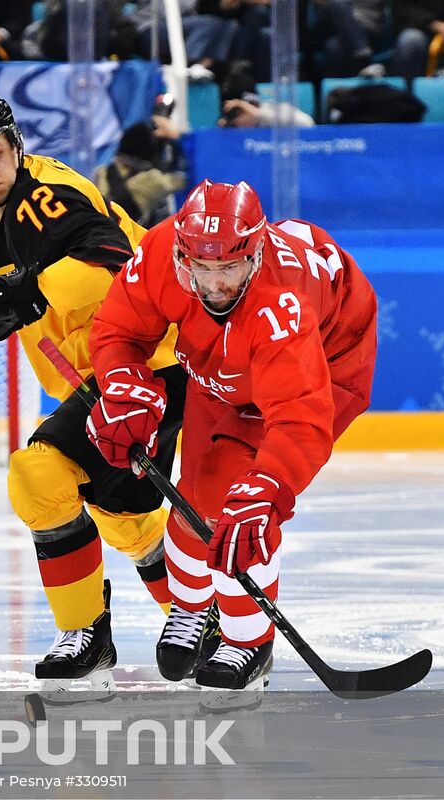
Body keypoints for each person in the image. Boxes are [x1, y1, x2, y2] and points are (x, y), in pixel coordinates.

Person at [0, 84, 191, 702]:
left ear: (14, 145)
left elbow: (111, 262)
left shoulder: (48, 196)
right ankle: (119, 627)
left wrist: (16, 298)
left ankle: (197, 616)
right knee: (113, 512)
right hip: (101, 376)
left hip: (152, 363)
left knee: (42, 477)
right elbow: (20, 300)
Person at [87, 180, 377, 694]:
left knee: (236, 504)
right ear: (183, 254)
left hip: (327, 361)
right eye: (202, 268)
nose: (216, 285)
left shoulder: (280, 305)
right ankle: (192, 608)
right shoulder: (161, 250)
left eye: (230, 268)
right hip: (221, 367)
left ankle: (248, 640)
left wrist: (269, 484)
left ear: (256, 253)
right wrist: (122, 382)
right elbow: (118, 329)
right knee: (194, 494)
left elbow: (299, 416)